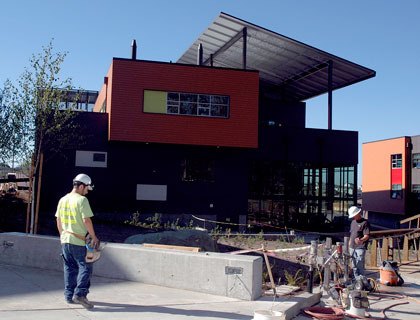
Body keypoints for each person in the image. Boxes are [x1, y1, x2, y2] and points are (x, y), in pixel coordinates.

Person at [55, 173, 99, 309]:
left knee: (69, 268)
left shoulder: (63, 199)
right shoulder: (81, 200)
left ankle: (69, 296)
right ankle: (80, 294)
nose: (87, 192)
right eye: (86, 188)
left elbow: (58, 220)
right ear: (81, 186)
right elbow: (86, 220)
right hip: (78, 241)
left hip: (65, 240)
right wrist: (94, 236)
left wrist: (63, 235)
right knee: (86, 266)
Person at [348, 205, 370, 279]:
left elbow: (366, 235)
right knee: (353, 264)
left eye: (354, 215)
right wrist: (349, 244)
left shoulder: (365, 223)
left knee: (359, 264)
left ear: (358, 213)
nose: (353, 217)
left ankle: (361, 280)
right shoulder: (353, 222)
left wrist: (361, 240)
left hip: (360, 247)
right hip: (352, 247)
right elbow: (352, 234)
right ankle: (355, 279)